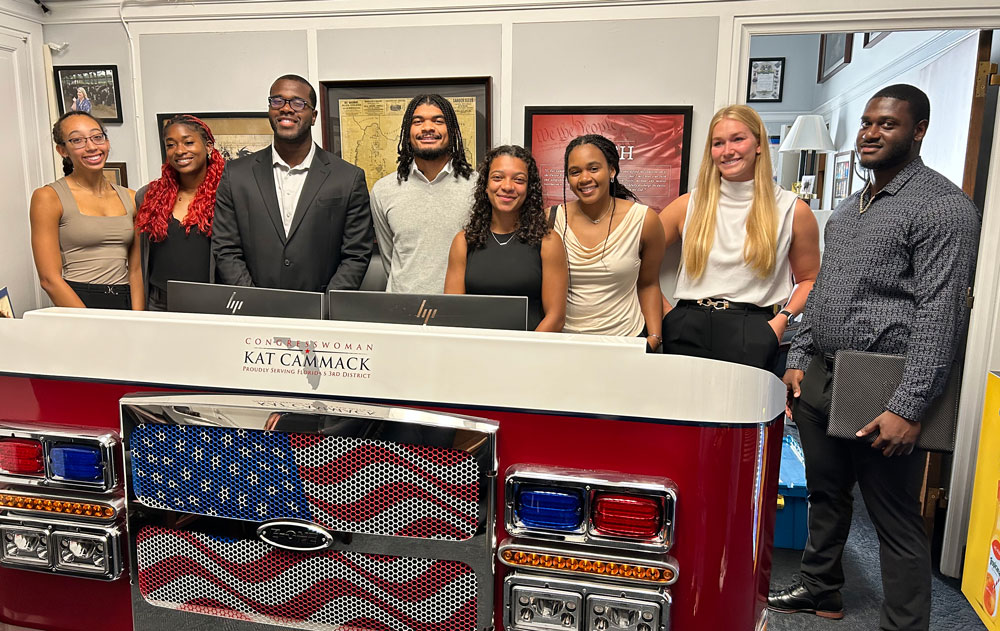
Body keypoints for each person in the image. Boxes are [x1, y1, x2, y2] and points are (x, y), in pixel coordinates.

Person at [768, 85, 980, 630]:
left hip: (884, 385)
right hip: (823, 376)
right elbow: (825, 288)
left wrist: (910, 407)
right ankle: (822, 591)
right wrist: (800, 354)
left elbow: (942, 316)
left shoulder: (943, 208)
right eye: (866, 122)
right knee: (825, 495)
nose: (870, 132)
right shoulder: (847, 209)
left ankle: (904, 624)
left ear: (919, 131)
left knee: (893, 516)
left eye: (887, 124)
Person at [658, 105, 819, 370]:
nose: (727, 151)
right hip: (686, 324)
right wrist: (666, 315)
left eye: (738, 139)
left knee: (742, 412)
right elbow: (637, 259)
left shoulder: (792, 209)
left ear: (758, 144)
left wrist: (782, 320)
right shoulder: (688, 205)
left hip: (752, 330)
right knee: (682, 410)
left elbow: (809, 279)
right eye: (718, 143)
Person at [212, 74, 373, 292]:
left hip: (320, 313)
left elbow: (356, 254)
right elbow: (226, 249)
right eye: (277, 101)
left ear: (314, 116)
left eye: (298, 103)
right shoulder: (236, 174)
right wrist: (253, 303)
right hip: (255, 312)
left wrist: (326, 307)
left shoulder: (347, 178)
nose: (286, 108)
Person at [552, 134, 664, 349]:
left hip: (626, 340)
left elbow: (649, 283)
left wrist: (654, 338)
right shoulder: (551, 220)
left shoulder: (643, 220)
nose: (584, 178)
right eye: (575, 172)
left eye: (594, 169)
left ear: (612, 170)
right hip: (564, 342)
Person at [444, 145, 567, 331]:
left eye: (518, 180)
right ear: (485, 186)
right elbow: (453, 313)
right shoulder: (463, 241)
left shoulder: (548, 242)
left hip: (529, 352)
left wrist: (520, 352)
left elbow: (555, 318)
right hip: (473, 351)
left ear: (529, 188)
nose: (507, 186)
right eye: (498, 177)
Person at [29, 111, 143, 310]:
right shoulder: (48, 197)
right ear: (62, 150)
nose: (91, 147)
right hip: (77, 301)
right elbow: (49, 279)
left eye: (97, 137)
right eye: (77, 140)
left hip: (126, 300)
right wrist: (91, 323)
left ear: (106, 142)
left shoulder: (132, 198)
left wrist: (138, 318)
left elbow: (136, 270)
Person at [370, 94, 476, 293]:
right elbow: (389, 257)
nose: (428, 128)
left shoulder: (477, 187)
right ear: (407, 132)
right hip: (402, 311)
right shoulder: (383, 190)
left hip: (461, 311)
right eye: (418, 122)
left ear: (452, 131)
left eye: (438, 121)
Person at [135, 115, 224, 310]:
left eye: (189, 142)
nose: (180, 151)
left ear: (208, 146)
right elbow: (139, 261)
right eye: (171, 145)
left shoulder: (227, 195)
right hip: (159, 304)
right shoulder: (148, 196)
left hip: (211, 304)